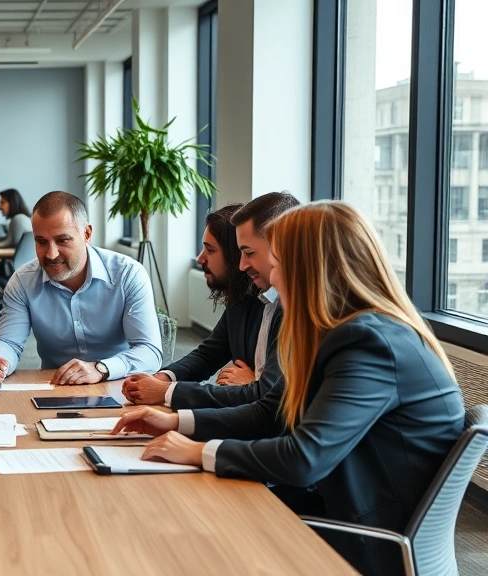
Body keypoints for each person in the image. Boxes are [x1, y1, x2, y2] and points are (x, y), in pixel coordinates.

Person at [111, 201, 465, 575]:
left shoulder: (368, 342)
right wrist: (176, 423)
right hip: (337, 506)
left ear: (307, 268)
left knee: (186, 534)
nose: (268, 276)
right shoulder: (339, 330)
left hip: (365, 538)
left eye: (276, 262)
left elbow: (304, 459)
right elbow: (271, 411)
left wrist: (198, 451)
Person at [123, 192, 299, 409]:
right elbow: (209, 355)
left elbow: (268, 397)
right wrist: (164, 379)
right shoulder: (244, 298)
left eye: (210, 250)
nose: (200, 258)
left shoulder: (291, 307)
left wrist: (255, 385)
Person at [0, 191, 163, 386]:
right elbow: (9, 342)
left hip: (118, 384)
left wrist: (100, 368)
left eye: (62, 240)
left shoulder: (127, 274)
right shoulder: (22, 282)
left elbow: (149, 352)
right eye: (41, 242)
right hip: (54, 387)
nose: (51, 254)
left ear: (86, 234)